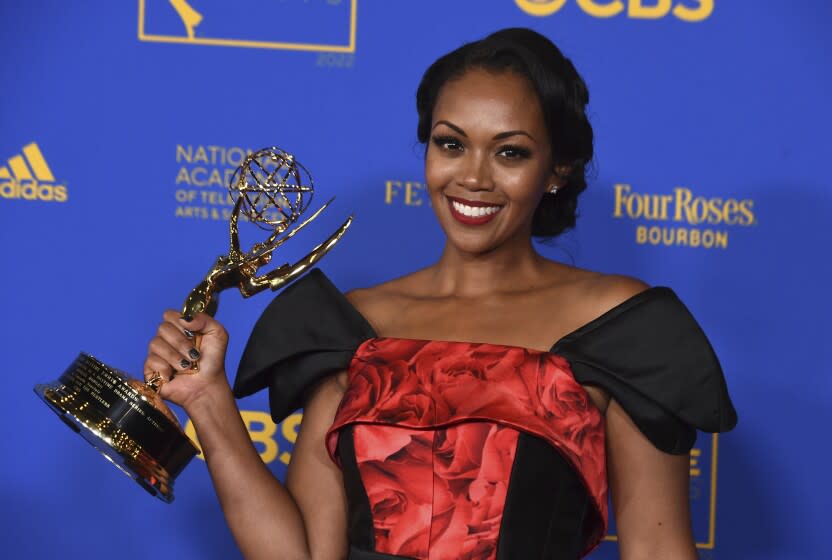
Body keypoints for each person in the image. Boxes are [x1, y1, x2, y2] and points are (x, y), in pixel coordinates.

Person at [144, 28, 737, 560]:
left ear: (557, 169)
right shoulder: (351, 326)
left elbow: (658, 547)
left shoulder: (623, 330)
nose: (474, 176)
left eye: (510, 152)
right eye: (452, 143)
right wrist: (210, 404)